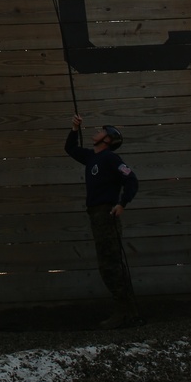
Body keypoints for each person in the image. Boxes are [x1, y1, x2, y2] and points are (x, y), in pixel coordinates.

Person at [65, 117, 139, 327]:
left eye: (101, 131)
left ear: (107, 139)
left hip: (106, 214)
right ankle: (127, 311)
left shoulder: (111, 159)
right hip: (95, 215)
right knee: (107, 263)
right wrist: (74, 129)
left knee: (111, 264)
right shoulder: (91, 157)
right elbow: (70, 148)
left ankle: (125, 312)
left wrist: (122, 203)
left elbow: (131, 179)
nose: (96, 132)